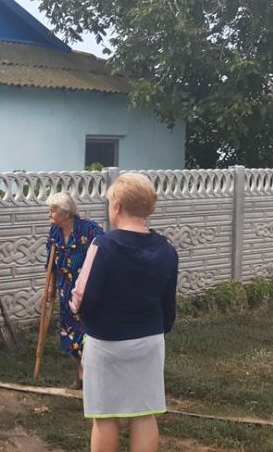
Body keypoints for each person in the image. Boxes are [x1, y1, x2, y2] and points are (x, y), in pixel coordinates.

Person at [70, 173, 178, 452]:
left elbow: (83, 296)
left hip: (106, 342)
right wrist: (159, 328)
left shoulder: (103, 246)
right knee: (144, 412)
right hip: (149, 340)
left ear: (116, 207)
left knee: (105, 415)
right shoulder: (167, 249)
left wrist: (81, 316)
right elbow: (168, 303)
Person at [44, 191, 104, 390]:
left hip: (88, 292)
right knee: (70, 334)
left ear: (66, 213)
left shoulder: (90, 230)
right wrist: (51, 288)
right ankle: (81, 375)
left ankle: (93, 376)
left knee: (87, 333)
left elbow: (104, 259)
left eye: (52, 211)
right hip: (65, 291)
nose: (49, 215)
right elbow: (51, 263)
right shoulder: (55, 232)